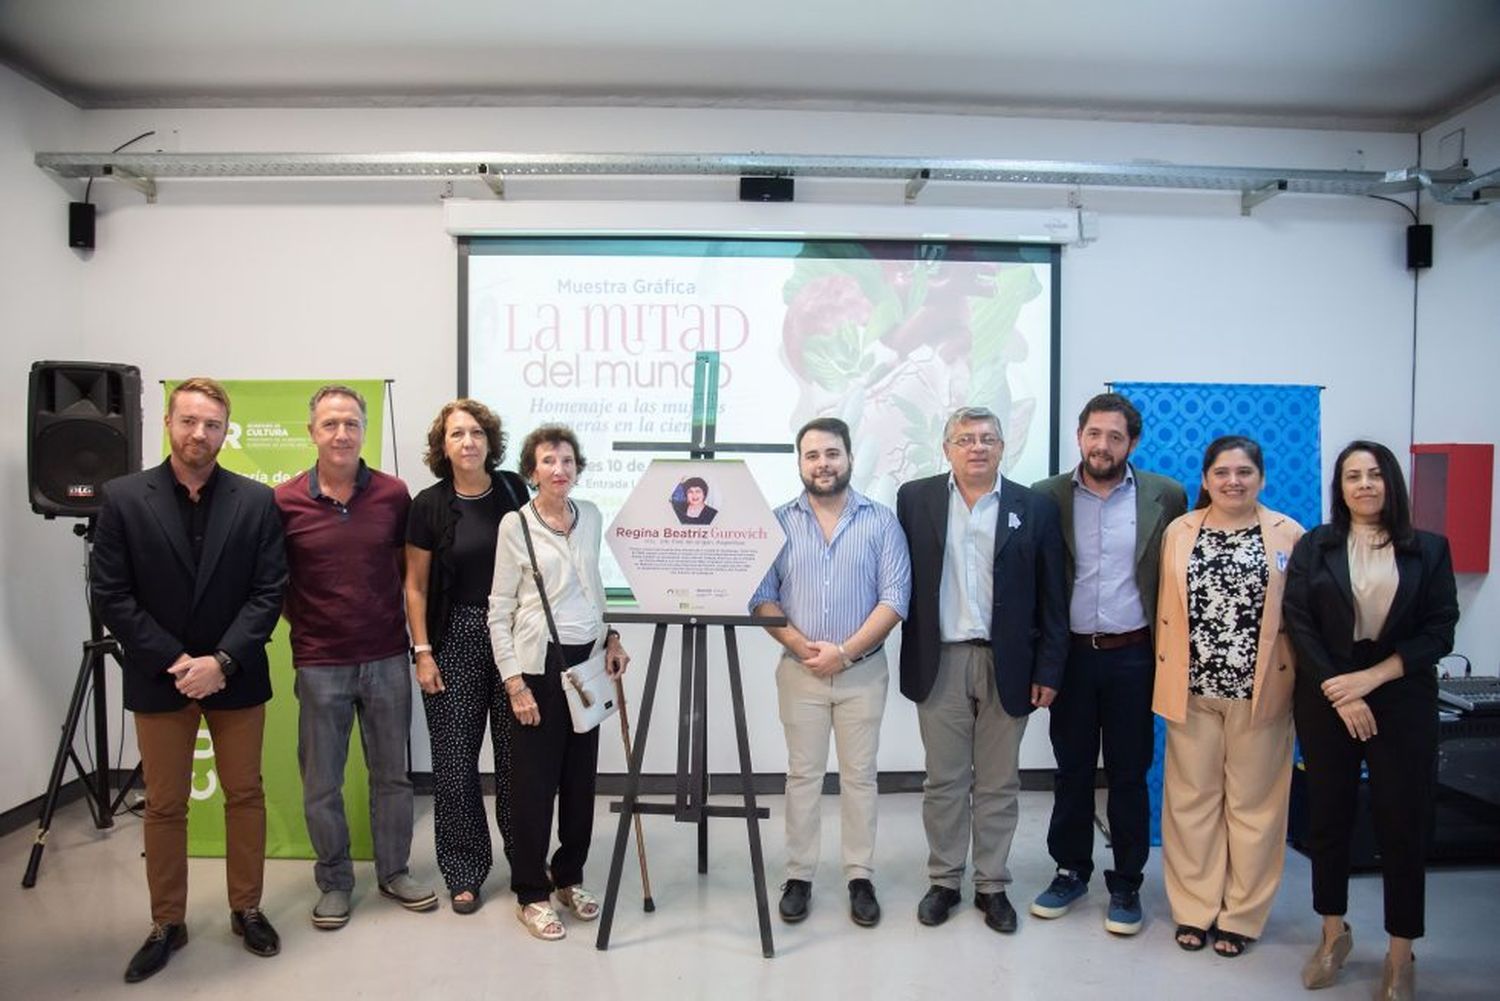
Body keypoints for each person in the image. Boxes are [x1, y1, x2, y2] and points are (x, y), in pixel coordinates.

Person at [91, 377, 287, 982]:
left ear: (225, 431)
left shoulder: (257, 502)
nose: (199, 433)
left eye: (212, 424)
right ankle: (167, 922)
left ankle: (246, 908)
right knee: (166, 805)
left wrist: (221, 661)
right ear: (169, 424)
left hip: (236, 674)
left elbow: (268, 592)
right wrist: (179, 662)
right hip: (162, 677)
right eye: (189, 421)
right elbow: (111, 595)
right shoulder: (123, 498)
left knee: (245, 795)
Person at [1284, 441, 1458, 1000]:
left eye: (1375, 475)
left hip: (1400, 695)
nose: (1364, 485)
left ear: (1392, 484)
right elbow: (1298, 621)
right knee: (1328, 820)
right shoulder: (1316, 545)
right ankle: (1333, 934)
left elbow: (1439, 631)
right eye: (1352, 475)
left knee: (1401, 823)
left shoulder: (1429, 550)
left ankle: (1401, 953)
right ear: (1340, 486)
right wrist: (1343, 690)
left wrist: (1371, 680)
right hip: (1326, 692)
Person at [896, 406, 1068, 933]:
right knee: (943, 780)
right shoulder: (915, 498)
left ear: (1003, 446)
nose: (977, 447)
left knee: (998, 782)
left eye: (987, 438)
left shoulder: (1033, 507)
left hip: (1009, 663)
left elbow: (1053, 596)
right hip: (940, 658)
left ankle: (991, 885)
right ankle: (945, 880)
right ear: (945, 447)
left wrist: (1051, 669)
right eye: (965, 438)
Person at [275, 385, 437, 929]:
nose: (341, 433)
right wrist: (312, 628)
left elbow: (409, 575)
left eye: (351, 423)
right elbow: (274, 583)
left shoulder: (394, 495)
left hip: (388, 657)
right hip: (320, 662)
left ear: (364, 430)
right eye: (330, 424)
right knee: (322, 781)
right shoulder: (285, 500)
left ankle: (393, 872)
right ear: (312, 432)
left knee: (392, 777)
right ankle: (336, 880)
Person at [1030, 393, 1187, 935]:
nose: (1103, 445)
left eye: (1115, 437)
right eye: (1094, 434)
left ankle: (1126, 882)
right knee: (1071, 770)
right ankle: (1070, 869)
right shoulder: (1045, 496)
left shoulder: (1166, 496)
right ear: (1079, 435)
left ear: (1133, 443)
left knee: (1128, 772)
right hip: (1071, 657)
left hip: (1134, 657)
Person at [751, 417, 912, 928]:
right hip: (800, 673)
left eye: (832, 454)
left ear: (849, 458)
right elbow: (761, 598)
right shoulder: (777, 523)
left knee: (860, 777)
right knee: (803, 776)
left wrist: (843, 652)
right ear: (800, 463)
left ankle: (859, 875)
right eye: (812, 455)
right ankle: (798, 875)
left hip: (862, 671)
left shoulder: (881, 521)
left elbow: (895, 599)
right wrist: (803, 647)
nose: (823, 464)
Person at [1154, 434, 1303, 958]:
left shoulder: (1289, 535)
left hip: (1261, 692)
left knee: (1255, 807)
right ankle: (1195, 908)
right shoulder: (1180, 532)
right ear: (1205, 479)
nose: (1232, 481)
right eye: (1222, 472)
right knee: (1191, 803)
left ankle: (1241, 913)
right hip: (1192, 690)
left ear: (1260, 478)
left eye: (1243, 472)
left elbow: (1303, 618)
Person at [488, 424, 630, 941]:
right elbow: (499, 610)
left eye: (568, 460)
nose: (559, 469)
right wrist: (513, 684)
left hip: (587, 660)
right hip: (537, 665)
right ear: (532, 471)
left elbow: (594, 590)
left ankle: (568, 876)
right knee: (533, 788)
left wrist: (611, 637)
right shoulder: (515, 525)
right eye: (549, 461)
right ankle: (531, 892)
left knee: (578, 784)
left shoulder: (589, 515)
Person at [404, 399, 529, 914]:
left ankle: (525, 864)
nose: (468, 442)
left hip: (514, 639)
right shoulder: (428, 505)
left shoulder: (513, 491)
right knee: (455, 763)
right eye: (456, 434)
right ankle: (464, 870)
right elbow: (414, 586)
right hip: (452, 637)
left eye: (476, 432)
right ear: (443, 445)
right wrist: (423, 652)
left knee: (517, 760)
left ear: (490, 441)